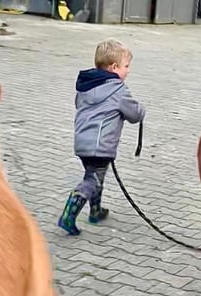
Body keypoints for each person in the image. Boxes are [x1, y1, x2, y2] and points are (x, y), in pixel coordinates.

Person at [58, 38, 146, 235]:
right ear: (114, 67)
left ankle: (95, 211)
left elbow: (79, 105)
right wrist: (142, 110)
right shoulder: (119, 90)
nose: (128, 70)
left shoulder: (86, 86)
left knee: (95, 176)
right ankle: (69, 214)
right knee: (92, 180)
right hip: (100, 146)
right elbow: (134, 114)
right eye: (126, 66)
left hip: (82, 143)